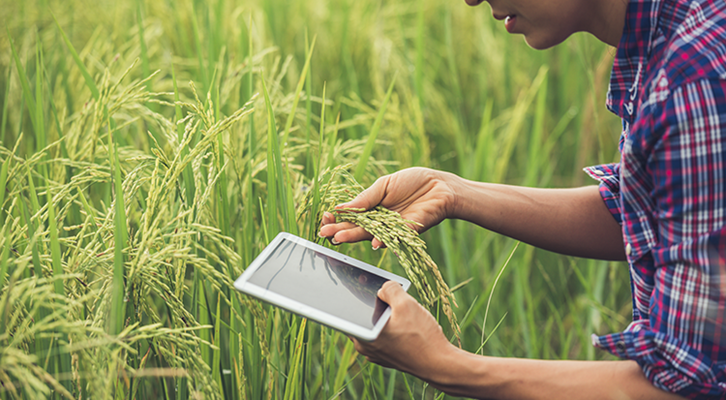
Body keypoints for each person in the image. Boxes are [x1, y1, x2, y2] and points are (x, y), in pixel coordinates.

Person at [318, 0, 726, 398]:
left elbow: (682, 388)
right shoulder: (672, 37)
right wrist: (454, 192)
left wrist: (443, 364)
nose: (471, 0)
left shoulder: (691, 81)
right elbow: (658, 215)